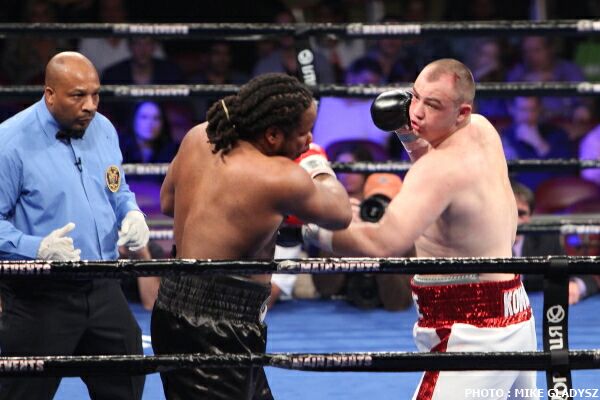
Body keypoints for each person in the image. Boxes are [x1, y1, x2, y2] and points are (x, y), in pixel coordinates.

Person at [304, 59, 538, 400]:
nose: (416, 111)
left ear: (462, 112)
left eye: (433, 105)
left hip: (471, 331)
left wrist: (313, 227)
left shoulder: (437, 170)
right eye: (415, 96)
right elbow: (445, 183)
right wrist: (409, 135)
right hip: (515, 312)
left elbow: (382, 243)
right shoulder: (483, 130)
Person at [150, 72, 352, 400]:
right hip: (220, 327)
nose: (309, 138)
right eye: (303, 132)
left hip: (171, 303)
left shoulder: (200, 134)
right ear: (272, 135)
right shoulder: (280, 177)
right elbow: (340, 213)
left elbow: (168, 203)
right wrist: (315, 162)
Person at [0, 52, 148, 399]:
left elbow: (117, 188)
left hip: (103, 286)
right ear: (50, 94)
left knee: (127, 379)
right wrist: (35, 247)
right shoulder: (9, 142)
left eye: (96, 94)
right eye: (78, 95)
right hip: (40, 295)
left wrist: (131, 212)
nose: (90, 106)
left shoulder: (103, 129)